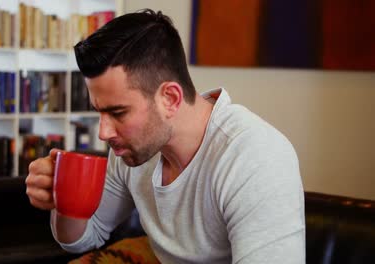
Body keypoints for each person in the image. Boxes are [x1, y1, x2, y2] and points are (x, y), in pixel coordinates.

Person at [26, 9, 305, 263]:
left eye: (118, 112)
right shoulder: (133, 150)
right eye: (100, 112)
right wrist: (64, 200)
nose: (103, 132)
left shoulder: (255, 157)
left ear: (170, 98)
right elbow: (84, 238)